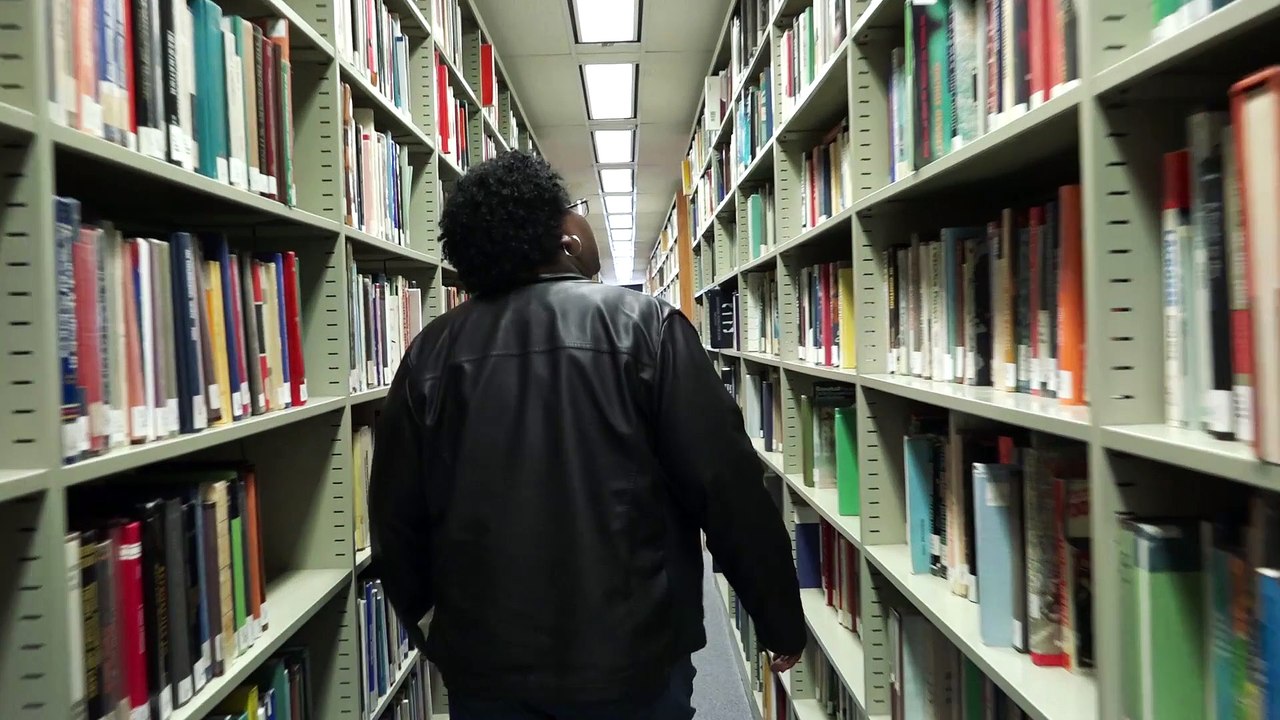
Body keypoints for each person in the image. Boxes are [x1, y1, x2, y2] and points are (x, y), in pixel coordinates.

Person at [367, 151, 805, 720]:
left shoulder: (428, 354)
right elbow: (726, 489)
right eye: (574, 209)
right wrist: (777, 616)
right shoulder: (647, 327)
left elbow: (396, 520)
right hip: (635, 660)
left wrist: (435, 630)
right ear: (566, 238)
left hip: (488, 669)